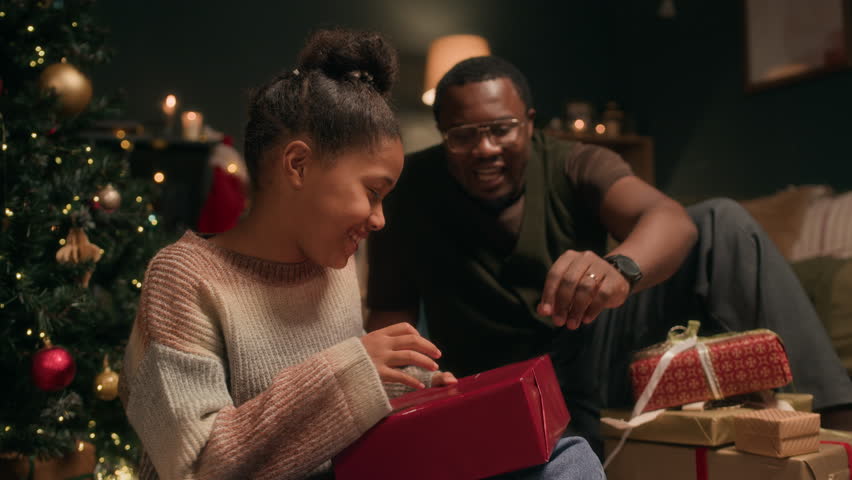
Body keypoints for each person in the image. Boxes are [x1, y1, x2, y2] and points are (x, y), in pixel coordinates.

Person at [122, 31, 603, 479]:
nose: (379, 220)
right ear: (298, 165)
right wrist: (352, 369)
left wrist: (414, 391)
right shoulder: (183, 278)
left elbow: (345, 410)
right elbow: (194, 464)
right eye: (372, 192)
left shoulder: (333, 267)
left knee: (567, 458)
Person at [365, 55, 852, 455]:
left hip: (592, 350)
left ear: (530, 125)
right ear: (441, 135)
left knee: (722, 222)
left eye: (502, 129)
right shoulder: (408, 194)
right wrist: (415, 392)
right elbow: (391, 321)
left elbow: (669, 218)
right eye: (462, 134)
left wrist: (619, 268)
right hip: (499, 385)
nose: (484, 148)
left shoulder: (574, 162)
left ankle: (835, 434)